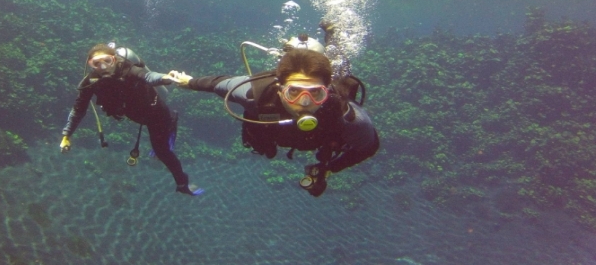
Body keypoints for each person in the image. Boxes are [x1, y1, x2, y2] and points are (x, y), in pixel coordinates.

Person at [168, 47, 378, 197]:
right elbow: (219, 83)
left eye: (316, 93)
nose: (305, 103)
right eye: (294, 92)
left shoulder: (347, 117)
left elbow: (370, 146)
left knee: (340, 68)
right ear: (279, 90)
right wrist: (190, 82)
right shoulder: (255, 94)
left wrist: (330, 168)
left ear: (327, 93)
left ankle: (332, 39)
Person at [60, 43, 202, 195]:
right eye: (96, 63)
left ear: (114, 59)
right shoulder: (90, 82)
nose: (103, 67)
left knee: (162, 152)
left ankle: (182, 184)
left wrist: (166, 78)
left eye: (107, 61)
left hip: (156, 114)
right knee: (160, 150)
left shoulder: (128, 70)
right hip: (135, 115)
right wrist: (66, 135)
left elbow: (148, 76)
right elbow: (78, 109)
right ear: (90, 65)